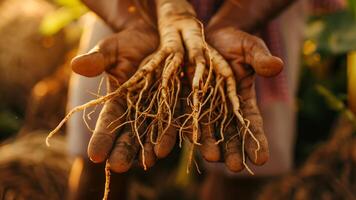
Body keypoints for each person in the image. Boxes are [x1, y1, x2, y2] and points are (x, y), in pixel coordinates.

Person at [66, 0, 306, 199]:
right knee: (100, 153)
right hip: (129, 6)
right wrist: (135, 21)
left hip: (255, 10)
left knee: (240, 166)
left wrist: (231, 22)